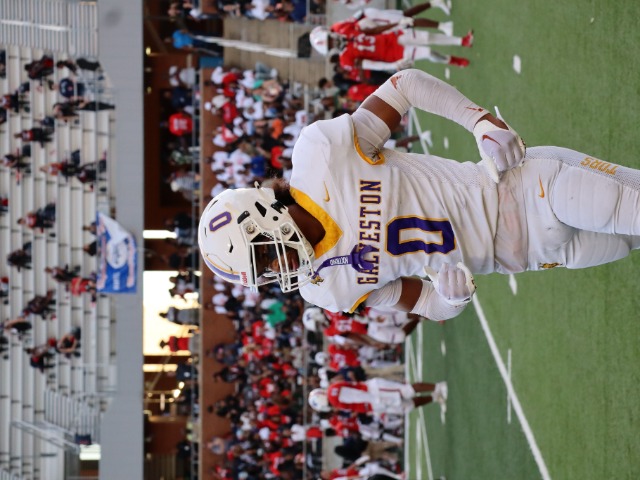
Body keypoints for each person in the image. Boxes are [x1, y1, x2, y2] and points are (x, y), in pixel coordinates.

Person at [199, 68, 640, 322]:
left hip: (526, 191)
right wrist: (452, 298)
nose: (276, 269)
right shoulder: (327, 289)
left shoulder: (321, 156)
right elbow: (428, 305)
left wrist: (480, 123)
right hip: (532, 256)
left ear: (262, 214)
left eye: (264, 256)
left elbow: (404, 86)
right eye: (264, 271)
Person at [308, 378, 447, 414]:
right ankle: (434, 396)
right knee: (407, 406)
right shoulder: (332, 392)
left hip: (373, 394)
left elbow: (357, 395)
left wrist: (376, 400)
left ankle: (438, 386)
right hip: (373, 402)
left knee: (405, 391)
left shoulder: (333, 396)